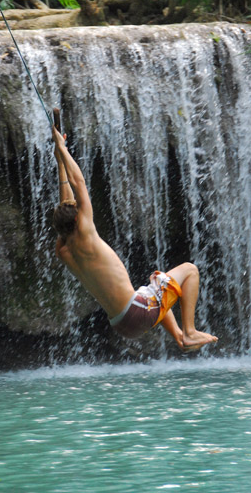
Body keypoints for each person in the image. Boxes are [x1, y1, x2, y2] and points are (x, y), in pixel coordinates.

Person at [52, 124, 218, 352]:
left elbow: (65, 201)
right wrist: (62, 148)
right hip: (137, 312)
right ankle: (189, 332)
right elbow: (78, 183)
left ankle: (179, 338)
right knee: (190, 270)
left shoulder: (64, 251)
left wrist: (60, 162)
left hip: (121, 324)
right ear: (78, 221)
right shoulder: (87, 233)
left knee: (157, 281)